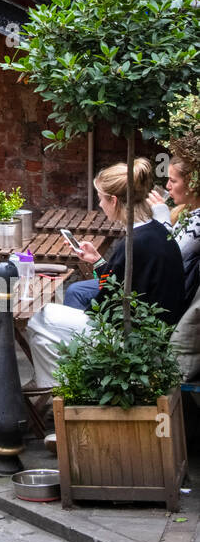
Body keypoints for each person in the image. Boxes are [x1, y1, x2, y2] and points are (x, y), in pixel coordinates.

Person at [26, 158, 187, 389]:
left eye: (101, 198)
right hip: (152, 335)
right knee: (43, 335)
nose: (100, 204)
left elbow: (105, 307)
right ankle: (59, 392)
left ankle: (66, 392)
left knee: (39, 318)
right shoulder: (157, 231)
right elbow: (122, 285)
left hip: (135, 342)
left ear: (113, 200)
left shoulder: (132, 244)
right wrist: (99, 262)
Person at [149, 154, 200, 306]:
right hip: (159, 287)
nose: (167, 186)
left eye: (173, 180)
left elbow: (169, 258)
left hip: (167, 299)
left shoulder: (197, 222)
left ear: (192, 184)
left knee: (77, 291)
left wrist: (161, 215)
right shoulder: (184, 211)